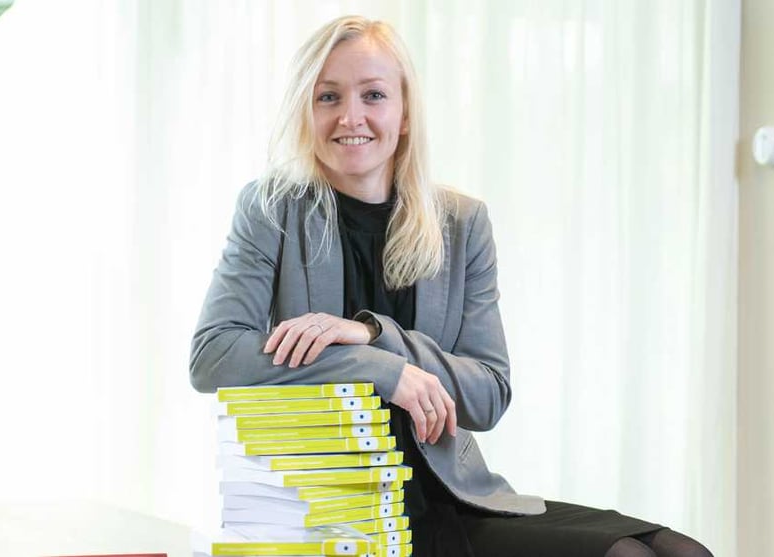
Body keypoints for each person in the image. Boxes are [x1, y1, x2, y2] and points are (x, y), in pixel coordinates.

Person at [189, 15, 712, 557]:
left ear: (405, 113)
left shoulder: (461, 223)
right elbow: (214, 355)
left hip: (454, 496)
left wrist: (376, 336)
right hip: (342, 513)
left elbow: (488, 394)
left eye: (373, 95)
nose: (351, 117)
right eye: (328, 97)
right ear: (307, 109)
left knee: (682, 551)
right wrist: (384, 371)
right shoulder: (272, 209)